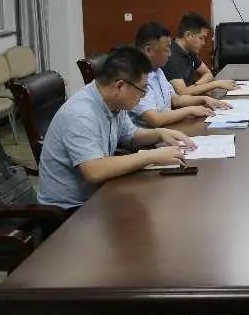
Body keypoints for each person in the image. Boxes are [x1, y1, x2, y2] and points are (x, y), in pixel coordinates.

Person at [37, 46, 196, 209]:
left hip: (101, 194)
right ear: (120, 86)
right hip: (72, 211)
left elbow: (130, 136)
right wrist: (152, 156)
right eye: (142, 89)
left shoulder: (114, 102)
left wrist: (160, 133)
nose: (143, 96)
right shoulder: (80, 114)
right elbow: (94, 171)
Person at [131, 22, 219, 128]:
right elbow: (155, 119)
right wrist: (190, 110)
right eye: (166, 50)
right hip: (149, 136)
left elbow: (175, 99)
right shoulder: (135, 76)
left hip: (166, 130)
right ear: (149, 50)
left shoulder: (158, 71)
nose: (170, 54)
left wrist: (203, 99)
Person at [162, 13, 238, 96]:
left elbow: (208, 74)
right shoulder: (170, 56)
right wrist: (215, 84)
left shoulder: (189, 51)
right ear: (188, 36)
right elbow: (183, 92)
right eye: (201, 38)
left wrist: (196, 87)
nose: (203, 43)